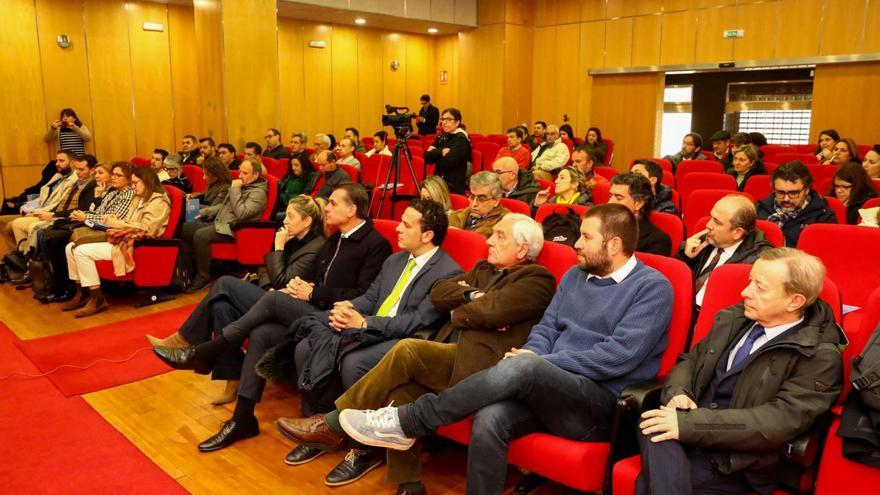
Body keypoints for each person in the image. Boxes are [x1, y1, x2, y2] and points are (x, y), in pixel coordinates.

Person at [336, 204, 675, 495]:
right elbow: (546, 329)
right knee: (490, 417)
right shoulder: (575, 276)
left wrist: (539, 360)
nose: (575, 244)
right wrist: (533, 355)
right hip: (547, 390)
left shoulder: (653, 288)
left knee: (526, 366)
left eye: (586, 237)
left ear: (614, 244)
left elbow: (617, 356)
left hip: (598, 405)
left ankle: (409, 420)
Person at [274, 213, 556, 494]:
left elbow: (490, 312)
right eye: (492, 234)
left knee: (407, 349)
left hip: (483, 369)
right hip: (451, 355)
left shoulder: (537, 279)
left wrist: (461, 307)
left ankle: (333, 423)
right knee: (402, 395)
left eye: (500, 236)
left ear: (522, 249)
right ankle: (410, 485)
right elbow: (440, 293)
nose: (490, 241)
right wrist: (471, 296)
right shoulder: (483, 269)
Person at [152, 184, 391, 452]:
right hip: (311, 307)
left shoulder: (375, 245)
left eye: (333, 203)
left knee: (254, 294)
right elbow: (314, 277)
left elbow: (362, 296)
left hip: (333, 318)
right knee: (261, 332)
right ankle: (243, 418)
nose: (327, 207)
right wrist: (300, 286)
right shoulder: (336, 238)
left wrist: (312, 292)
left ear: (352, 209)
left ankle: (207, 350)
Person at [268, 199, 463, 483]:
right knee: (306, 346)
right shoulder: (396, 259)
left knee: (353, 362)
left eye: (406, 225)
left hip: (404, 339)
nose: (397, 228)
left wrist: (365, 322)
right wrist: (348, 307)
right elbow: (371, 298)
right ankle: (320, 428)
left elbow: (418, 321)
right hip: (370, 327)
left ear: (427, 235)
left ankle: (364, 449)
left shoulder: (447, 271)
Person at [635, 248, 844, 495]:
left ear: (794, 301)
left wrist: (690, 425)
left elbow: (776, 422)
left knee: (651, 465)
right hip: (691, 433)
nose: (745, 292)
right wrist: (678, 393)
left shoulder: (819, 355)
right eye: (750, 281)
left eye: (760, 287)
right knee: (651, 423)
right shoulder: (734, 318)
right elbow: (690, 361)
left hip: (737, 462)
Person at [146, 195, 327, 405]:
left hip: (288, 308)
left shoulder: (315, 246)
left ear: (307, 221)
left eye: (291, 216)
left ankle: (185, 339)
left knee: (224, 283)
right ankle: (232, 380)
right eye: (285, 214)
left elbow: (281, 280)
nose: (285, 220)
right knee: (222, 307)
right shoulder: (294, 239)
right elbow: (267, 271)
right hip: (273, 296)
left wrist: (278, 247)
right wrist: (269, 283)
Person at [63, 167, 171, 317]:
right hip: (123, 238)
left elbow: (147, 229)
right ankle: (82, 292)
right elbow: (129, 221)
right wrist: (115, 220)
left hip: (136, 245)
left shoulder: (158, 201)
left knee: (81, 251)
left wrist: (116, 223)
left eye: (135, 183)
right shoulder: (139, 198)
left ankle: (97, 299)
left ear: (147, 182)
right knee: (70, 247)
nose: (133, 186)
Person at [181, 158, 268, 292]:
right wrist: (203, 212)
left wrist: (235, 190)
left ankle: (203, 276)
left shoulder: (258, 193)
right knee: (184, 228)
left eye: (245, 173)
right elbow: (224, 206)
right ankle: (189, 271)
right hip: (221, 223)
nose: (239, 176)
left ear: (255, 175)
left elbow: (242, 214)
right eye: (240, 172)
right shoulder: (243, 186)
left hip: (235, 230)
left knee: (201, 235)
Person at [677, 194, 773, 311]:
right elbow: (676, 284)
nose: (708, 225)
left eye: (717, 222)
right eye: (711, 217)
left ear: (737, 233)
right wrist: (685, 258)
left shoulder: (759, 261)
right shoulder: (703, 240)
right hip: (685, 309)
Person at [38, 161, 113, 302]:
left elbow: (101, 216)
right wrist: (97, 197)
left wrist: (84, 214)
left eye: (101, 173)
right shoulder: (100, 188)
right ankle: (64, 287)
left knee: (59, 239)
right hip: (90, 224)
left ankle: (68, 289)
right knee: (51, 235)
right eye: (95, 173)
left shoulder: (112, 191)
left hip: (98, 228)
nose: (96, 176)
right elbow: (93, 210)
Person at [8, 154, 98, 259]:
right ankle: (24, 260)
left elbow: (82, 209)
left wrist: (53, 214)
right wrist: (47, 212)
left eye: (81, 169)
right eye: (76, 169)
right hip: (56, 212)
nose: (77, 172)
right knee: (18, 223)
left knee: (34, 228)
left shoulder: (92, 185)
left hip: (68, 218)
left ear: (92, 170)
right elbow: (61, 203)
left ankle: (36, 262)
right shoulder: (77, 181)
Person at [0, 151, 77, 256]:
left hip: (48, 212)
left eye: (61, 161)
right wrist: (26, 207)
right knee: (2, 221)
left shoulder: (73, 181)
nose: (57, 164)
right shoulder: (58, 177)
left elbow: (58, 204)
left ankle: (24, 257)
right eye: (57, 160)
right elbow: (42, 197)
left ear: (73, 163)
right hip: (40, 209)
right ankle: (16, 257)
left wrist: (34, 212)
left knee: (13, 225)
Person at [756, 161, 837, 246]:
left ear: (807, 190)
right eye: (780, 192)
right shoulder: (760, 210)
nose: (786, 199)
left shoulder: (824, 217)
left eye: (793, 193)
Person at [609, 173, 671, 256]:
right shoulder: (601, 226)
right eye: (610, 196)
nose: (610, 202)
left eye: (618, 198)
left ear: (638, 203)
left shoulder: (657, 240)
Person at [448, 172, 510, 237]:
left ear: (496, 201)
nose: (474, 204)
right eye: (472, 196)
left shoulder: (505, 223)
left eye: (481, 199)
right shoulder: (456, 215)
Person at [425, 108, 470, 194]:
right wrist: (440, 152)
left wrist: (434, 153)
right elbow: (427, 158)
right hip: (439, 183)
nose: (444, 122)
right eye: (443, 119)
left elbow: (449, 163)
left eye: (449, 119)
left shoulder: (460, 138)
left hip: (453, 186)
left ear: (457, 122)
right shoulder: (441, 136)